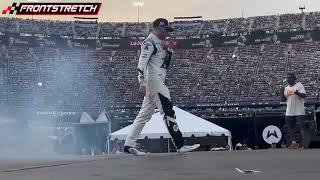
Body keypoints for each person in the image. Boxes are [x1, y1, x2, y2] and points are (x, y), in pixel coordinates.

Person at [123, 18, 200, 155]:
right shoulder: (150, 42)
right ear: (159, 28)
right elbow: (142, 62)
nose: (167, 33)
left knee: (143, 116)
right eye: (166, 30)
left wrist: (169, 53)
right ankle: (180, 145)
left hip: (156, 81)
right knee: (168, 111)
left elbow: (162, 67)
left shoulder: (157, 43)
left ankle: (128, 145)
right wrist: (141, 82)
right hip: (155, 82)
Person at [280, 73, 307, 149]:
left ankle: (304, 143)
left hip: (299, 110)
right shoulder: (286, 88)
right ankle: (294, 143)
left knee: (301, 126)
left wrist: (298, 93)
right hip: (289, 110)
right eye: (288, 78)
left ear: (294, 78)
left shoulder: (299, 85)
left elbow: (304, 95)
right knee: (290, 127)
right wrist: (281, 92)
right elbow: (283, 100)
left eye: (290, 77)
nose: (289, 79)